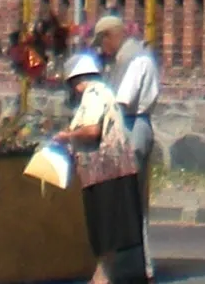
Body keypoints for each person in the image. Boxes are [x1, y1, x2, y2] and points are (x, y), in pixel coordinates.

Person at [62, 50, 147, 284]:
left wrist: (67, 136)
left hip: (105, 171)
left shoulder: (94, 94)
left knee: (104, 230)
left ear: (77, 81)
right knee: (107, 232)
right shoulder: (104, 92)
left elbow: (92, 130)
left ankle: (103, 278)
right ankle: (101, 276)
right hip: (111, 170)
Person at [94, 15, 161, 277]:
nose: (103, 50)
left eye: (103, 43)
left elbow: (123, 101)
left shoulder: (136, 60)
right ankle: (138, 264)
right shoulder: (131, 57)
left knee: (127, 200)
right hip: (134, 126)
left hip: (131, 127)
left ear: (111, 35)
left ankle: (136, 266)